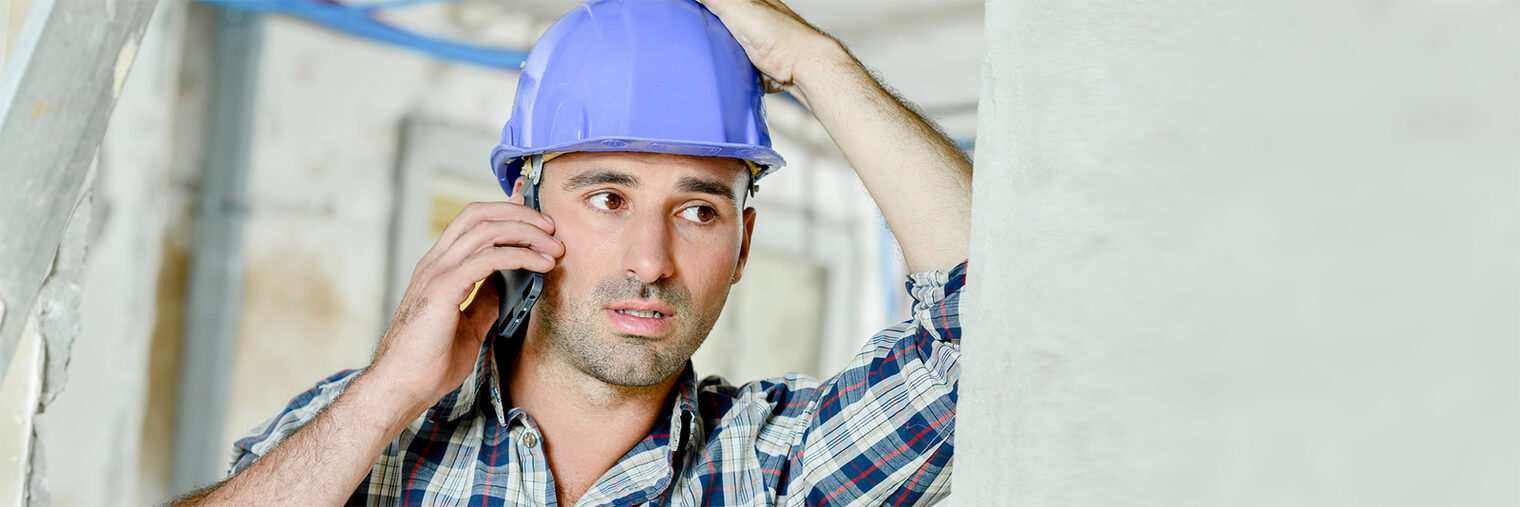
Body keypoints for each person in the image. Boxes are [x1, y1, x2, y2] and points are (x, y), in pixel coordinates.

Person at [174, 0, 970, 504]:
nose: (651, 260)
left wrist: (811, 61)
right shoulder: (374, 439)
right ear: (524, 210)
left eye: (697, 210)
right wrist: (385, 394)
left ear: (743, 244)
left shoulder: (771, 469)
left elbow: (987, 322)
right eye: (608, 199)